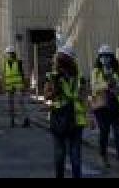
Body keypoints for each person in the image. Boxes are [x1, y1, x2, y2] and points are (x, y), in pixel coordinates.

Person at [44, 44, 87, 178]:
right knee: (74, 154)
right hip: (75, 119)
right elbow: (84, 97)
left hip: (60, 118)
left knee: (60, 153)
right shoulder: (78, 78)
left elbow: (47, 96)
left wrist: (56, 86)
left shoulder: (54, 76)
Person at [91, 45, 119, 168]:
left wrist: (115, 85)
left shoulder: (117, 71)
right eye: (102, 56)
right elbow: (94, 87)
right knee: (104, 132)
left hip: (117, 107)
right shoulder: (96, 71)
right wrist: (107, 84)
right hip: (102, 107)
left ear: (111, 58)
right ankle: (103, 155)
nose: (105, 59)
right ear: (99, 58)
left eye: (107, 56)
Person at [1, 46, 26, 128]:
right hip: (9, 86)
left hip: (18, 85)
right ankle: (12, 121)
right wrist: (3, 84)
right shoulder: (5, 63)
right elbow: (4, 74)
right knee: (10, 104)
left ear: (12, 54)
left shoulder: (18, 62)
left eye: (9, 54)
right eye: (7, 54)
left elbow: (22, 74)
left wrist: (24, 85)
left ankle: (25, 119)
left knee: (20, 103)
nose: (8, 55)